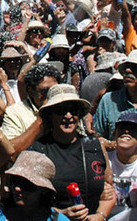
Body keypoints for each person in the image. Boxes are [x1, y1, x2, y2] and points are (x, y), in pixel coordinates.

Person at [12, 83, 114, 221]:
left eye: (73, 110)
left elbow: (109, 193)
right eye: (61, 110)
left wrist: (100, 215)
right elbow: (26, 200)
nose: (68, 115)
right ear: (50, 115)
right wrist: (60, 214)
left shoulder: (95, 146)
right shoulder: (37, 151)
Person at [0, 150, 70, 221]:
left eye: (26, 184)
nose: (17, 188)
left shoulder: (58, 219)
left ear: (43, 190)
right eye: (15, 181)